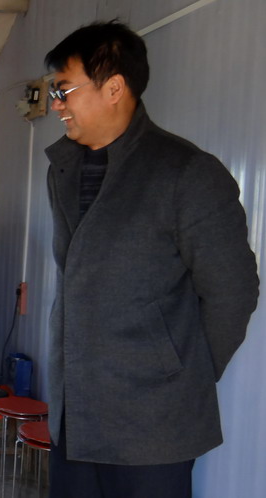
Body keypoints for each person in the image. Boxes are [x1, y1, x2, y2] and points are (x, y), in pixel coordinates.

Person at [43, 21, 259, 498]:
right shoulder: (64, 169)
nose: (56, 105)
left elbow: (233, 291)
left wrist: (179, 369)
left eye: (64, 90)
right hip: (75, 412)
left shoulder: (185, 172)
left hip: (153, 424)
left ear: (114, 88)